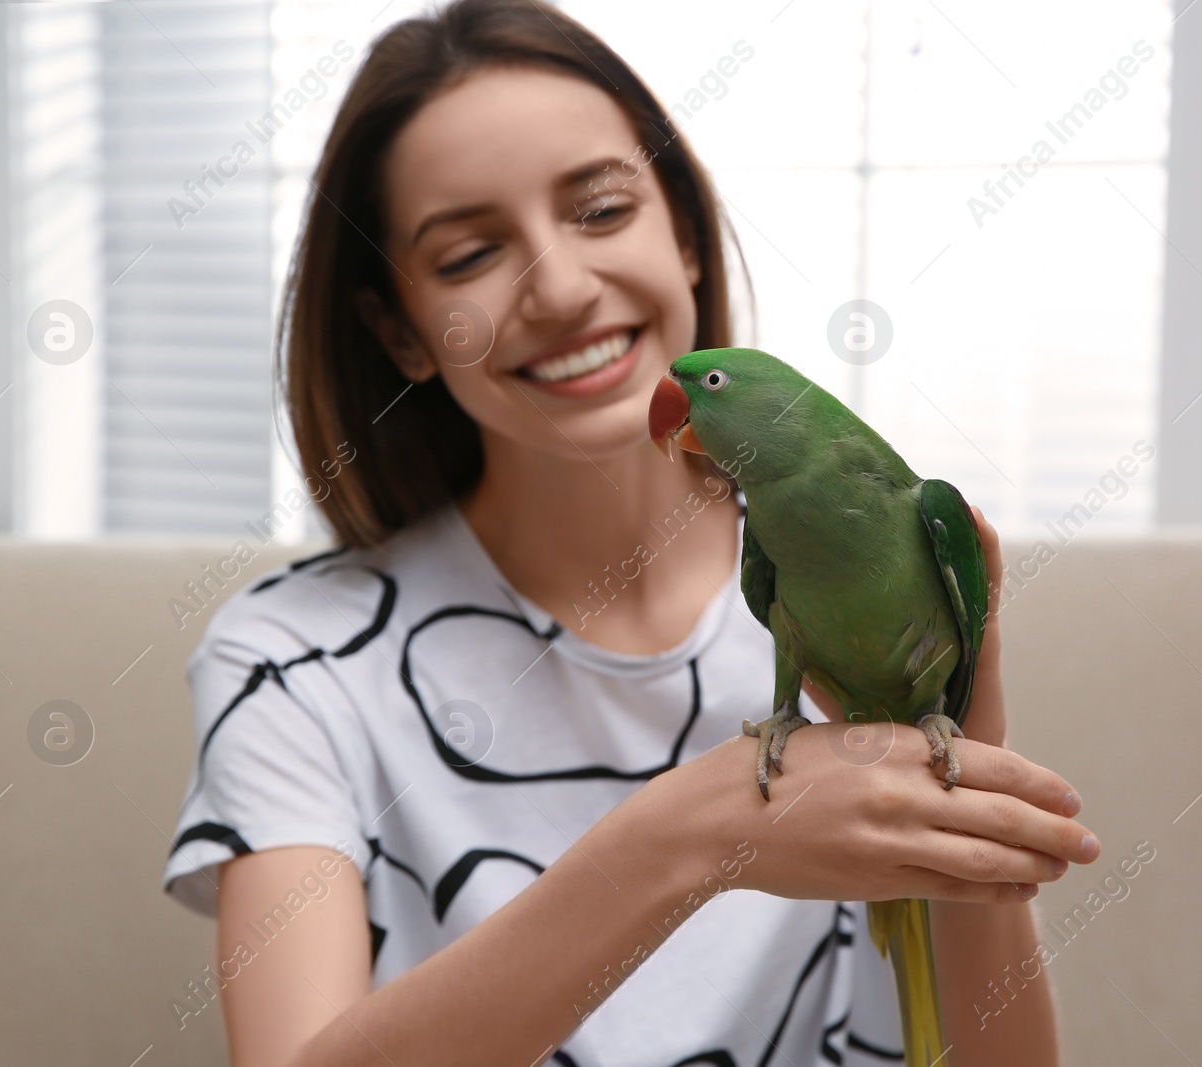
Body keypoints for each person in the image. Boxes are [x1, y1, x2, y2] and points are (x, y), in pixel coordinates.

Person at [160, 2, 1100, 1064]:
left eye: (602, 209)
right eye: (471, 253)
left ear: (687, 237)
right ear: (400, 331)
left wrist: (966, 735)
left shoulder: (887, 563)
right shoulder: (293, 662)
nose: (560, 290)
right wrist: (692, 833)